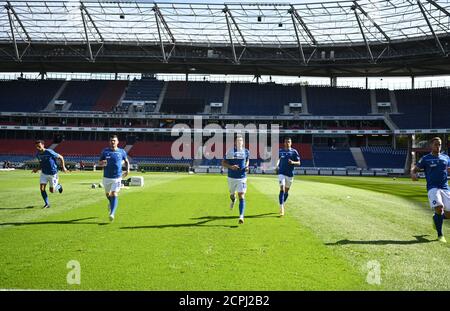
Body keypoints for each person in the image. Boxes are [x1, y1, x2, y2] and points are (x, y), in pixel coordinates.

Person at [411, 137, 450, 243]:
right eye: (436, 144)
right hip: (433, 188)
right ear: (431, 146)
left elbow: (449, 169)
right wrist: (413, 174)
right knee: (439, 207)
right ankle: (440, 235)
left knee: (448, 214)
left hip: (445, 187)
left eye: (440, 144)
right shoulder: (425, 159)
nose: (438, 146)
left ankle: (436, 218)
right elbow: (415, 169)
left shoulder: (446, 158)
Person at [99, 135, 130, 222]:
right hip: (106, 177)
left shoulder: (122, 152)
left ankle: (112, 213)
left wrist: (127, 170)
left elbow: (126, 161)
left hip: (117, 177)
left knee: (114, 193)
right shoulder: (105, 151)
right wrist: (102, 163)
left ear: (118, 142)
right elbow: (99, 162)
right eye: (111, 141)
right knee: (108, 195)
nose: (113, 142)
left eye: (114, 141)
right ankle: (111, 203)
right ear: (109, 142)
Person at [222, 135, 250, 224]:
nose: (239, 142)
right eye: (238, 140)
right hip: (231, 178)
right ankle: (233, 200)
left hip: (242, 177)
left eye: (241, 140)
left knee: (241, 195)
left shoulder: (246, 151)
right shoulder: (230, 152)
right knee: (232, 195)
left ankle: (241, 216)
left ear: (243, 142)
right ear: (235, 142)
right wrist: (231, 166)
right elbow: (223, 163)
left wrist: (247, 166)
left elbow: (247, 160)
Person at [32, 140, 67, 208]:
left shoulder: (49, 151)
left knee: (52, 191)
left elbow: (61, 157)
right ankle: (47, 204)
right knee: (42, 189)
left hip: (53, 174)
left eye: (39, 146)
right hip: (44, 173)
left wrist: (63, 167)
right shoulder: (38, 154)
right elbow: (42, 163)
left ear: (43, 145)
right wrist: (37, 169)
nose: (37, 148)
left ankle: (59, 186)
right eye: (36, 146)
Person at [275, 137, 301, 216]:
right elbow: (278, 159)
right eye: (286, 142)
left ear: (291, 143)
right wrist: (276, 166)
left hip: (290, 175)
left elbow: (299, 163)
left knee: (286, 191)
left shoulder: (294, 152)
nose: (287, 143)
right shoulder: (280, 151)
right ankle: (281, 207)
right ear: (284, 143)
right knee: (282, 188)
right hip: (281, 173)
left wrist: (293, 162)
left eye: (288, 142)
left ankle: (282, 202)